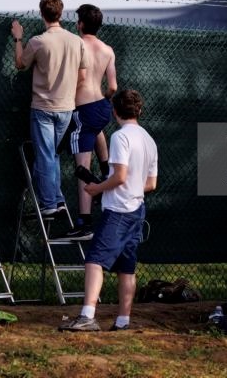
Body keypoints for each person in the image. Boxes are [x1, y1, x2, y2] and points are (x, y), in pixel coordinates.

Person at [59, 89, 158, 332]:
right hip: (136, 210)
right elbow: (151, 184)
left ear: (114, 112)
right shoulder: (148, 139)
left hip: (118, 211)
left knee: (94, 260)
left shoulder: (120, 137)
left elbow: (120, 176)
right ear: (139, 111)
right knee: (126, 267)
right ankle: (123, 321)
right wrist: (112, 188)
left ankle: (87, 316)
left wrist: (97, 189)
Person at [10, 0, 88, 216]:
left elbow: (20, 64)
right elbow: (82, 77)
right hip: (66, 107)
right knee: (52, 155)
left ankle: (49, 204)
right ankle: (58, 199)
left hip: (43, 107)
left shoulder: (38, 41)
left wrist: (17, 39)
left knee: (45, 155)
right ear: (61, 14)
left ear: (42, 14)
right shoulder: (77, 42)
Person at [59, 4, 117, 240]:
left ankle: (85, 222)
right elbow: (112, 86)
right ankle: (106, 172)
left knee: (82, 169)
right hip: (102, 106)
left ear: (80, 24)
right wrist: (103, 99)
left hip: (82, 108)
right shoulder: (107, 49)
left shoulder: (76, 44)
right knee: (97, 130)